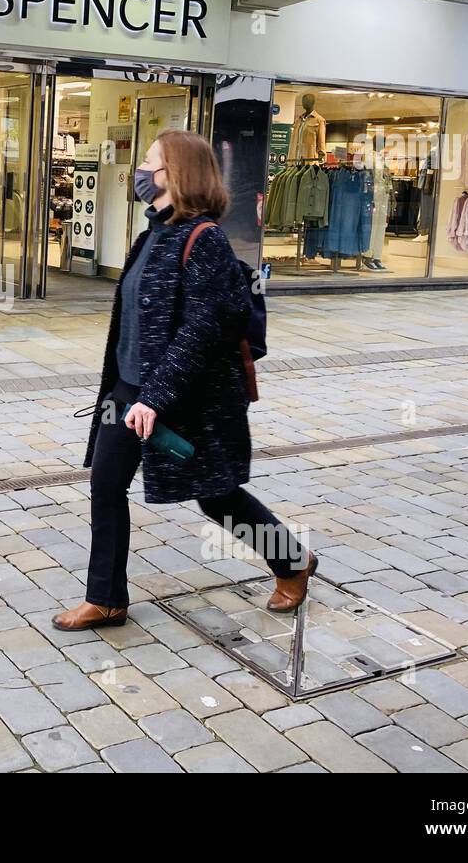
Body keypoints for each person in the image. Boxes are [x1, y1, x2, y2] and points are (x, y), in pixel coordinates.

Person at [53, 130, 316, 632]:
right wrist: (127, 389)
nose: (142, 173)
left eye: (149, 163)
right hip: (129, 388)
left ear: (175, 173)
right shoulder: (153, 233)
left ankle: (293, 562)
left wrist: (155, 396)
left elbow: (204, 329)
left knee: (216, 495)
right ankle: (106, 598)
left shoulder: (205, 240)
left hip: (189, 397)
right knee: (106, 484)